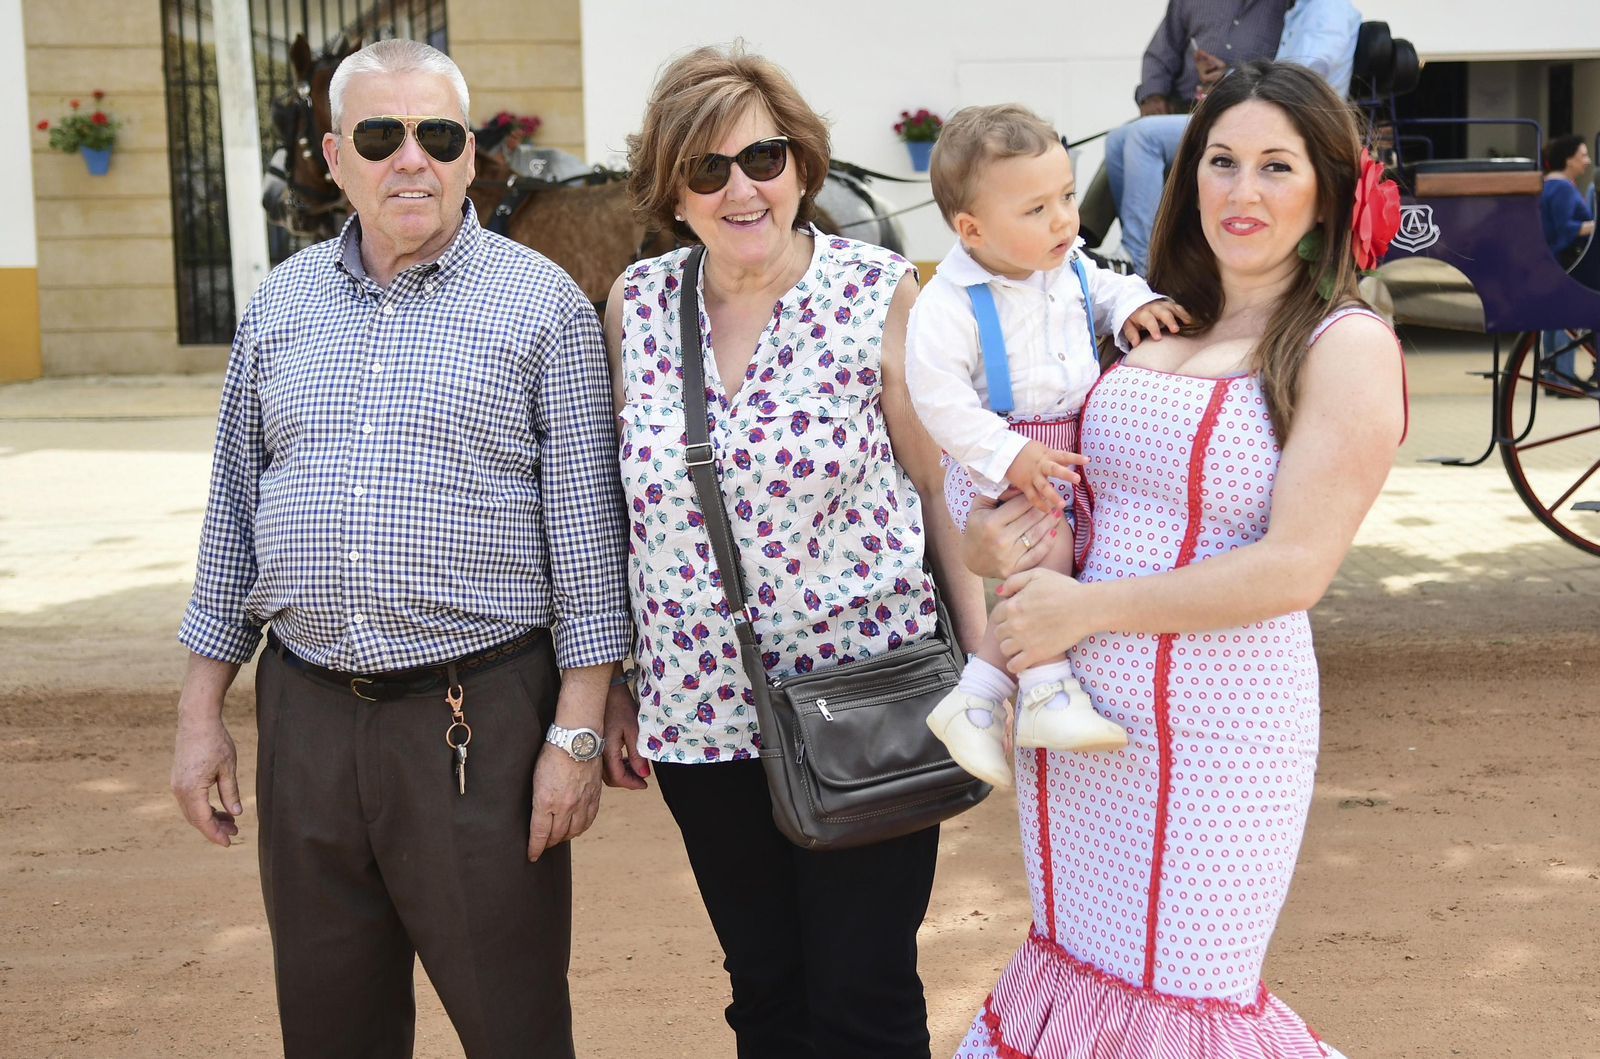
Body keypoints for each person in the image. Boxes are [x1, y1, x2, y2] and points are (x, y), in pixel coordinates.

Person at [167, 38, 630, 1059]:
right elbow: (234, 515)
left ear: (472, 156)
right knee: (330, 1029)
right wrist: (202, 711)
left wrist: (577, 733)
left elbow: (589, 541)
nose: (409, 158)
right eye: (380, 135)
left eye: (437, 134)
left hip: (481, 724)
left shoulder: (540, 303)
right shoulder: (281, 304)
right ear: (335, 158)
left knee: (512, 1028)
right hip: (306, 718)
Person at [950, 61, 1405, 1059]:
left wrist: (1084, 612)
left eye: (1275, 167)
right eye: (1222, 161)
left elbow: (1295, 571)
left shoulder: (1346, 343)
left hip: (1219, 737)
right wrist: (988, 538)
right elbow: (1055, 487)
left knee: (1180, 999)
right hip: (1076, 731)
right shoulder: (1147, 320)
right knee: (1076, 968)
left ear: (1327, 190)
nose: (1242, 192)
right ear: (1189, 175)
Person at [599, 44, 988, 1059]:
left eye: (764, 158)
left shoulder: (878, 291)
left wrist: (986, 665)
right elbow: (615, 515)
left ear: (803, 168)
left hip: (868, 698)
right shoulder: (636, 307)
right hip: (699, 713)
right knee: (764, 993)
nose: (742, 188)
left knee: (863, 993)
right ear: (670, 192)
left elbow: (937, 492)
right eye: (707, 169)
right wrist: (606, 685)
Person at [906, 104, 1188, 787]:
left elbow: (1109, 289)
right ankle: (1046, 689)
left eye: (1066, 196)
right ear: (971, 229)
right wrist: (1007, 455)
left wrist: (1131, 308)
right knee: (1044, 556)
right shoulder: (947, 304)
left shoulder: (1068, 272)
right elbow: (937, 397)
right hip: (1002, 457)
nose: (1064, 219)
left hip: (1063, 453)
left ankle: (978, 695)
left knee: (1061, 554)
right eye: (1036, 209)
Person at [1106, 0, 1360, 274]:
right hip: (1254, 115)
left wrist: (1226, 77)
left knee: (1143, 136)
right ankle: (1125, 250)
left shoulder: (1325, 9)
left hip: (1287, 125)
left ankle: (1143, 263)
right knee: (1119, 138)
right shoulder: (1299, 7)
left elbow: (1296, 85)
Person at [1539, 134, 1596, 392]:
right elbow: (1565, 228)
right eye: (1582, 155)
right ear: (1568, 159)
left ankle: (1552, 378)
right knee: (1565, 319)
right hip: (1565, 259)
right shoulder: (1562, 187)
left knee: (1552, 320)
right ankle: (1563, 377)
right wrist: (1595, 225)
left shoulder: (1548, 183)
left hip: (1550, 257)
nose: (1587, 161)